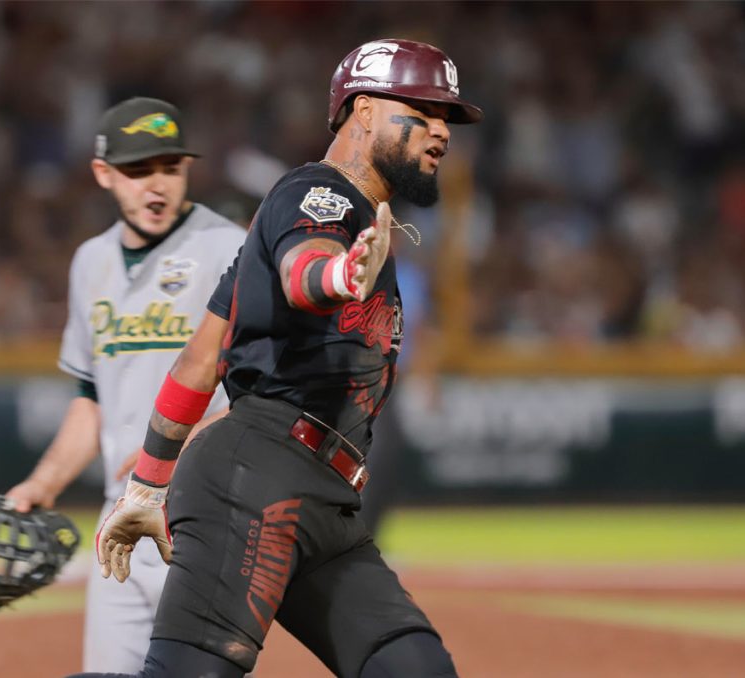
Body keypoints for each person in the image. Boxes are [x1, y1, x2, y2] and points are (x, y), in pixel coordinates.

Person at [90, 39, 483, 678]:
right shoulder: (318, 194)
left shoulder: (339, 220)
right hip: (256, 478)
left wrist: (147, 483)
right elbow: (309, 271)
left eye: (447, 117)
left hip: (324, 501)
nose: (441, 129)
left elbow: (199, 359)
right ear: (362, 111)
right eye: (422, 108)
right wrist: (340, 274)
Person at [5, 96, 246, 674]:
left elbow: (261, 394)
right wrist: (42, 482)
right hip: (121, 521)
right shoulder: (91, 262)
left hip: (203, 518)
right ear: (104, 174)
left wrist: (173, 444)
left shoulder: (230, 248)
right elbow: (92, 400)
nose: (156, 184)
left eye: (170, 166)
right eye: (138, 170)